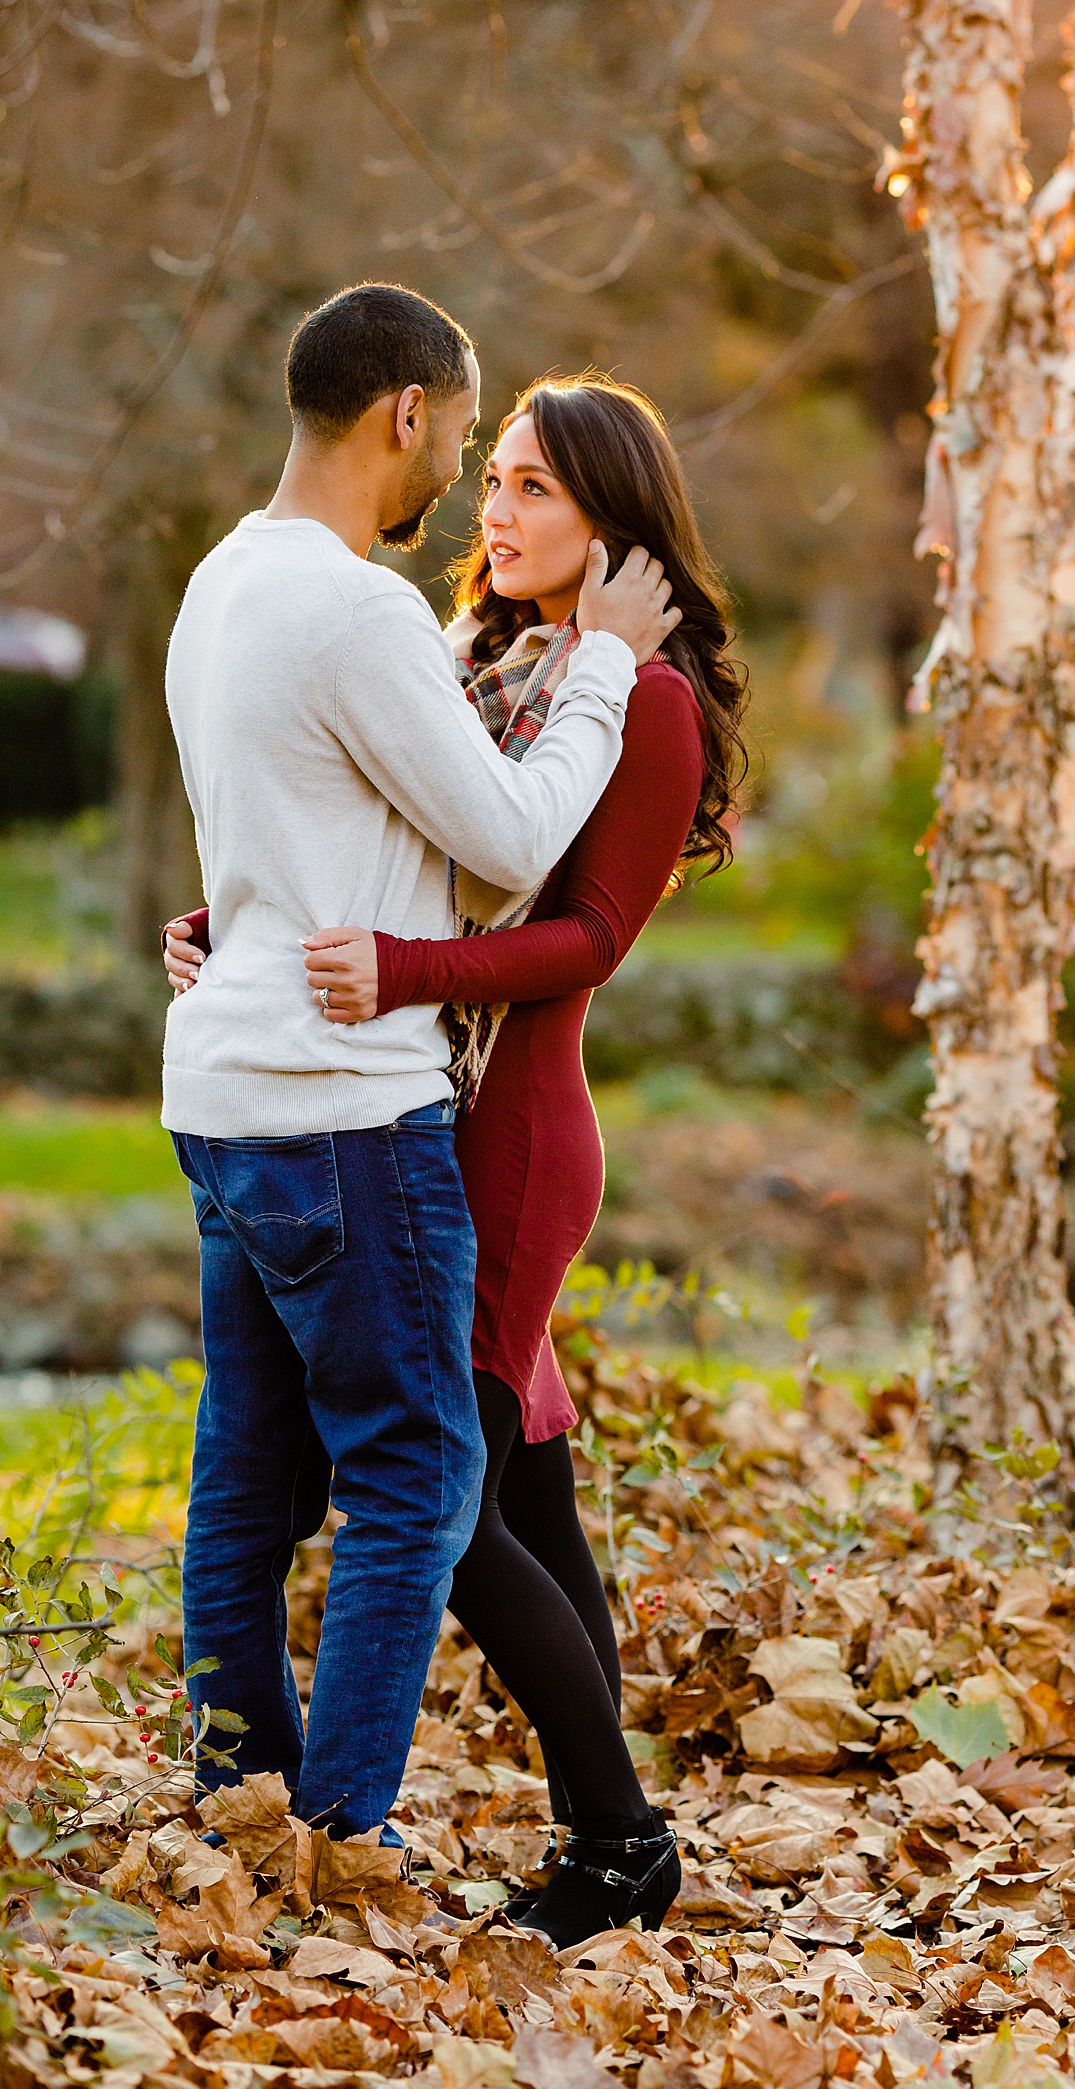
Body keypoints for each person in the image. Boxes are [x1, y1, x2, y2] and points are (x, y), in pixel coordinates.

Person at [166, 372, 746, 1947]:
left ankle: (623, 1841)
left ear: (617, 523)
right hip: (408, 1104)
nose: (496, 508)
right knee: (527, 1505)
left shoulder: (651, 697)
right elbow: (398, 851)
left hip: (503, 1140)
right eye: (495, 476)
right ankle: (609, 1830)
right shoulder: (477, 659)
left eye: (539, 487)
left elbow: (588, 940)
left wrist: (397, 975)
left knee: (452, 1511)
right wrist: (253, 933)